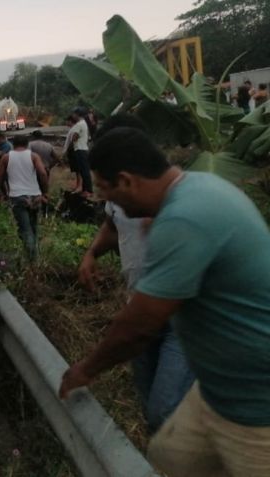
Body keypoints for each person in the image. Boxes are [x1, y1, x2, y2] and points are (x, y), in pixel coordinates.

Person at [60, 126, 270, 476]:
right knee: (171, 455)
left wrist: (85, 369)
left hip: (255, 407)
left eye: (106, 189)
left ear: (127, 181)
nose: (107, 202)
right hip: (216, 393)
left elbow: (139, 326)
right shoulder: (197, 188)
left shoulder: (184, 218)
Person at [78, 115, 193, 434]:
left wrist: (89, 368)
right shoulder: (121, 197)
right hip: (139, 307)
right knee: (151, 410)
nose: (106, 194)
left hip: (177, 319)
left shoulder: (181, 197)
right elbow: (112, 225)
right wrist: (91, 254)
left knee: (164, 409)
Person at [0, 135, 49, 258]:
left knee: (25, 229)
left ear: (13, 144)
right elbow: (42, 173)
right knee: (33, 226)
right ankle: (35, 255)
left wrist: (0, 193)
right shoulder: (34, 156)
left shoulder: (6, 157)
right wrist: (45, 192)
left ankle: (31, 259)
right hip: (35, 196)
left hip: (17, 198)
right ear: (27, 144)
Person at [63, 108, 93, 196]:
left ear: (77, 115)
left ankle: (88, 190)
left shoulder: (79, 124)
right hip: (81, 149)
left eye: (74, 114)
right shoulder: (83, 123)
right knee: (83, 171)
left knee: (85, 171)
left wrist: (71, 143)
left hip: (80, 149)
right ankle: (85, 189)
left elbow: (74, 137)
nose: (72, 116)